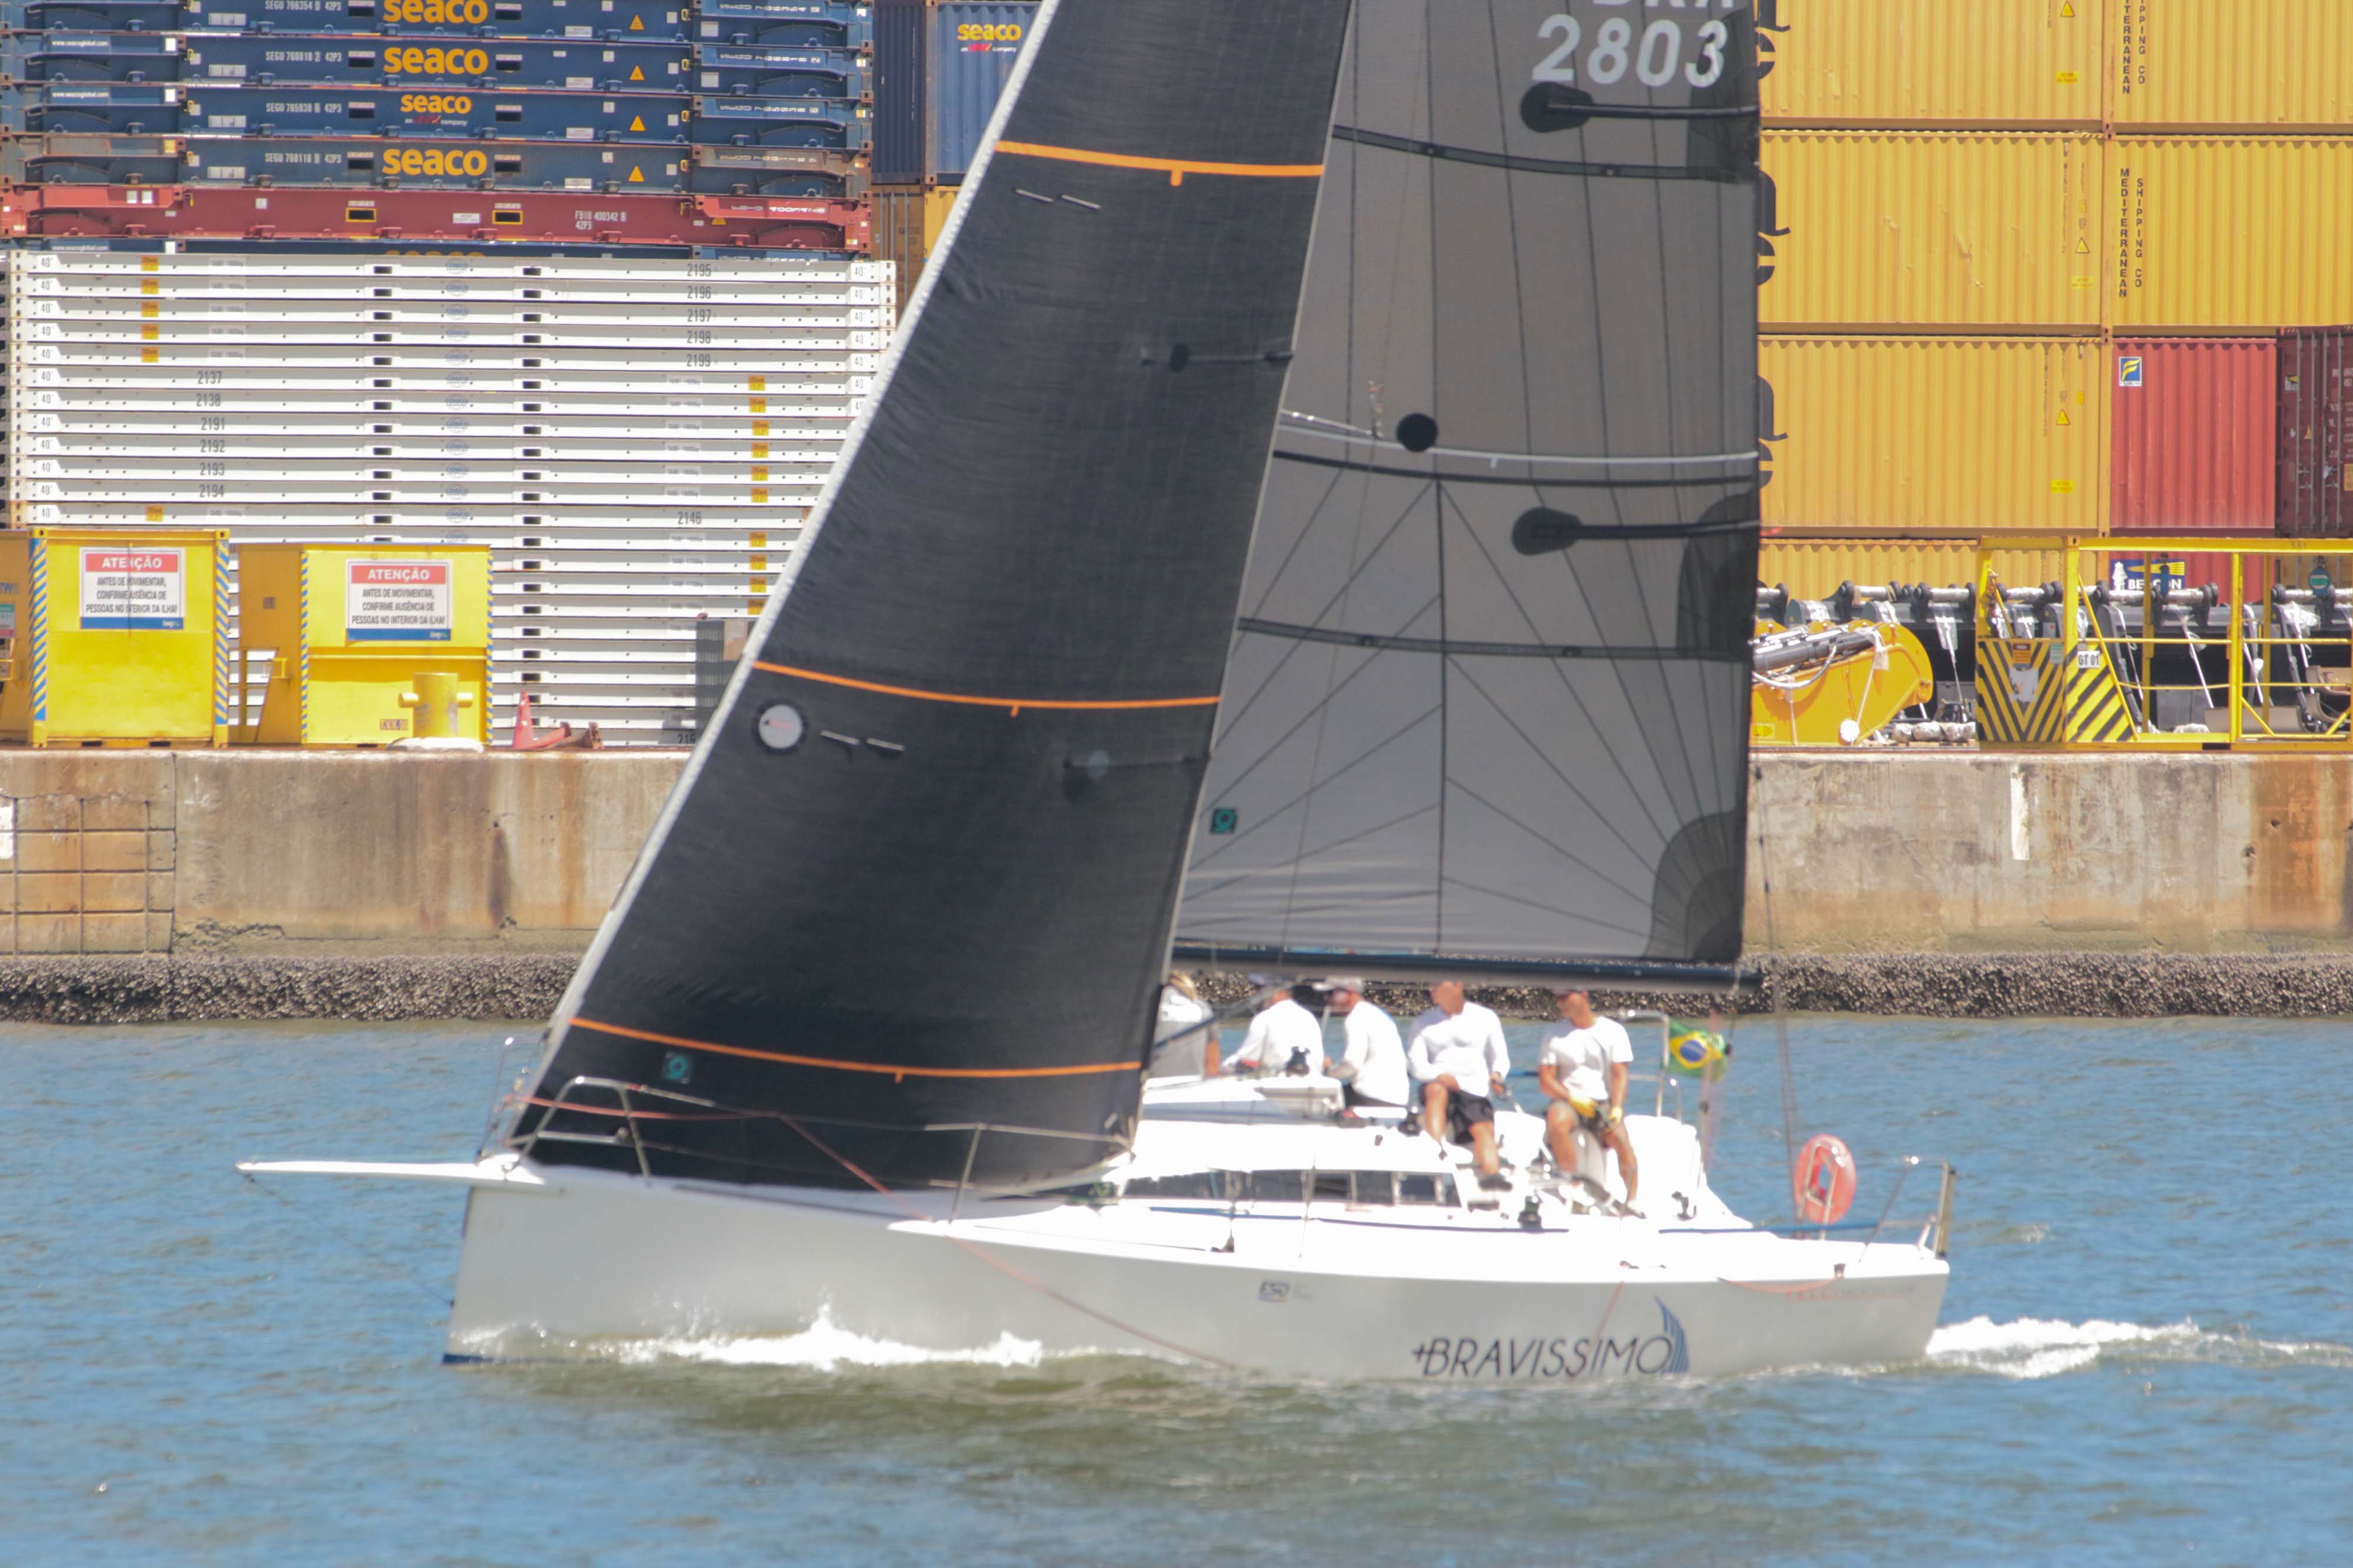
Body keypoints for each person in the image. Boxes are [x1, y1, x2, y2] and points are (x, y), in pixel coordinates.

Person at [1537, 986, 1639, 1207]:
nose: (1560, 1002)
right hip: (1568, 1102)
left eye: (1565, 996)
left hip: (1602, 1103)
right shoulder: (1553, 1034)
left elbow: (1620, 1075)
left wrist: (1617, 1107)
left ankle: (1632, 1200)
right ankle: (1573, 1188)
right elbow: (1546, 1081)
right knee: (1557, 1121)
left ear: (1583, 994)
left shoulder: (1613, 1031)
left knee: (1623, 1141)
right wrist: (1572, 1099)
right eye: (1557, 998)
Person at [1406, 980, 1511, 1187]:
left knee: (1482, 1128)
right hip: (1439, 1083)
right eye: (1431, 986)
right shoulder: (1423, 1022)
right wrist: (1440, 1075)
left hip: (1474, 1090)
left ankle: (1493, 1177)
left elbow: (1500, 1057)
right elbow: (1416, 1065)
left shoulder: (1485, 1017)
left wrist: (1497, 1076)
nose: (1431, 990)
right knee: (1436, 1090)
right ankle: (1435, 1159)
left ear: (1458, 986)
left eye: (1437, 985)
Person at [1321, 977, 1408, 1113]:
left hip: (1369, 1096)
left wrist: (1328, 1071)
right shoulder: (1377, 1014)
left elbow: (1352, 1064)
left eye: (1330, 993)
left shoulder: (1355, 1018)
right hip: (1399, 1098)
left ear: (1349, 992)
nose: (1326, 998)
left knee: (1320, 1097)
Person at [1222, 982, 1325, 1076]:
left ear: (1278, 993)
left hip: (1279, 1084)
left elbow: (1245, 1059)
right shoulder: (1309, 1017)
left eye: (1261, 990)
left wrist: (1226, 1065)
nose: (1258, 996)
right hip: (1315, 1080)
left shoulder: (1264, 1018)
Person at [1148, 970, 1217, 1081]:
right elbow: (1213, 1065)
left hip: (1154, 1083)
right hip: (1193, 1084)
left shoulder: (1150, 1006)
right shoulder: (1203, 1007)